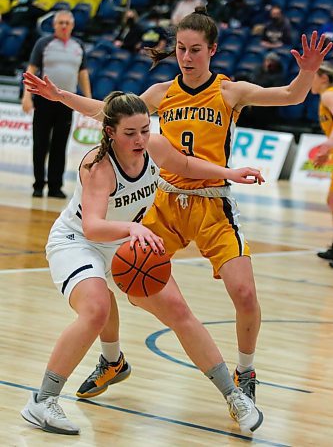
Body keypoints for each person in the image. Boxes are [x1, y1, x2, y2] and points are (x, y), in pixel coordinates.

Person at [23, 8, 332, 433]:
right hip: (154, 211)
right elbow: (105, 110)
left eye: (195, 50)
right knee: (113, 298)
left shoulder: (219, 97)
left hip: (207, 203)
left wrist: (305, 76)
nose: (186, 57)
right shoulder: (137, 119)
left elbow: (288, 98)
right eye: (180, 49)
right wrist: (60, 96)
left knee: (223, 295)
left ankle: (240, 382)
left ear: (212, 51)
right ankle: (85, 374)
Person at [20, 90, 265, 435]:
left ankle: (234, 395)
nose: (140, 140)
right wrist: (133, 227)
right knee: (96, 309)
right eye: (130, 133)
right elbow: (92, 225)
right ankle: (42, 401)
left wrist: (229, 172)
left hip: (124, 242)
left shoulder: (153, 146)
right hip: (78, 242)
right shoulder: (97, 166)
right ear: (110, 132)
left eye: (144, 131)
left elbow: (184, 165)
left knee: (179, 311)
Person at [21, 10, 91, 199]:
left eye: (67, 23)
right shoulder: (43, 44)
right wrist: (26, 97)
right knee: (40, 143)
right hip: (43, 101)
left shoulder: (78, 46)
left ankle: (55, 186)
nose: (64, 26)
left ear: (73, 25)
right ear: (54, 25)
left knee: (60, 146)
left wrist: (88, 99)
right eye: (60, 22)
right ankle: (38, 184)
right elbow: (31, 70)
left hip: (66, 102)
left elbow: (82, 74)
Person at [311, 62, 333, 266]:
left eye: (314, 77)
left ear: (324, 78)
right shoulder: (324, 96)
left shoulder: (329, 94)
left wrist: (327, 146)